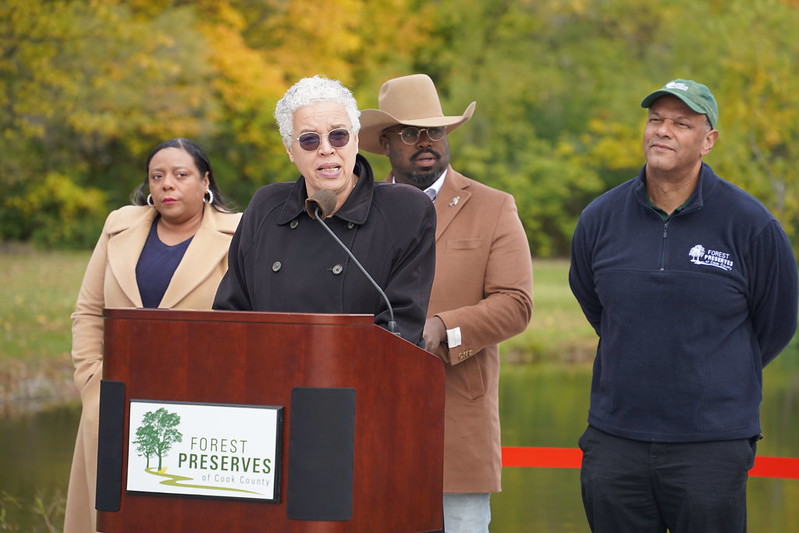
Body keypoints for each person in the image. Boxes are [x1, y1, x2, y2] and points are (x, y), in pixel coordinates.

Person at [569, 79, 799, 533]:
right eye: (655, 120)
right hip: (616, 441)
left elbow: (776, 323)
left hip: (711, 445)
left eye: (681, 123)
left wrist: (716, 372)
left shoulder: (751, 225)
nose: (663, 131)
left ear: (708, 140)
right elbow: (596, 305)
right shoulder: (600, 218)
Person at [359, 74, 533, 533]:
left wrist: (441, 328)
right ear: (385, 142)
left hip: (457, 420)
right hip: (368, 421)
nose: (425, 142)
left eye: (434, 131)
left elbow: (516, 303)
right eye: (411, 132)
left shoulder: (494, 206)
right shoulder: (356, 209)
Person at [64, 138, 242, 533]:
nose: (167, 185)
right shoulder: (118, 228)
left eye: (181, 175)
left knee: (180, 514)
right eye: (157, 176)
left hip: (199, 404)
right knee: (113, 513)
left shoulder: (239, 234)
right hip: (115, 398)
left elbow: (248, 323)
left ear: (204, 181)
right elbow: (89, 311)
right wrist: (91, 380)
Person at [212, 75, 436, 345]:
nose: (326, 149)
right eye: (309, 140)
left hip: (358, 383)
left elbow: (401, 329)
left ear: (355, 140)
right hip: (270, 380)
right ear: (290, 150)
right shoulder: (266, 207)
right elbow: (229, 318)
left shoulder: (404, 210)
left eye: (338, 135)